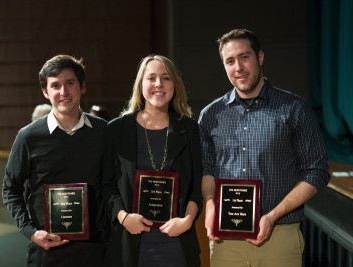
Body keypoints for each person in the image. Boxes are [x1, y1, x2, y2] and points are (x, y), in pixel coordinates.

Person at [198, 28, 331, 267]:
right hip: (225, 241)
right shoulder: (210, 115)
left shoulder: (294, 109)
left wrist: (272, 216)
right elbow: (207, 168)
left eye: (244, 57)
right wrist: (210, 205)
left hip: (279, 236)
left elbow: (317, 171)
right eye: (230, 61)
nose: (238, 67)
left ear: (260, 57)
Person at [2, 55, 108, 267]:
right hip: (46, 251)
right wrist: (31, 232)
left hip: (96, 251)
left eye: (70, 83)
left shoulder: (103, 132)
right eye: (55, 85)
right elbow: (10, 188)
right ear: (45, 91)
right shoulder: (28, 137)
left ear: (83, 86)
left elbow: (113, 185)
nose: (63, 92)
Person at [102, 55, 202, 267]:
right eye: (151, 78)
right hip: (130, 244)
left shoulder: (190, 129)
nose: (159, 84)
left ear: (174, 84)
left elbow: (196, 186)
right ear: (141, 84)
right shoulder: (116, 130)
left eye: (165, 78)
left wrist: (187, 221)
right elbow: (107, 185)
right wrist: (123, 217)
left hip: (177, 244)